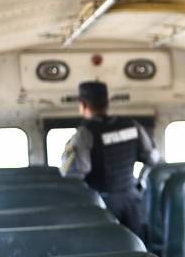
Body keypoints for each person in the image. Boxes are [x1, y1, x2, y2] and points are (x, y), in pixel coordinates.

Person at [60, 80, 159, 236]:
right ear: (107, 102)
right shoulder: (132, 125)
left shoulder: (85, 134)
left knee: (110, 247)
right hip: (132, 200)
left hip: (103, 203)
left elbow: (74, 174)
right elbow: (152, 158)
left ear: (82, 104)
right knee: (138, 247)